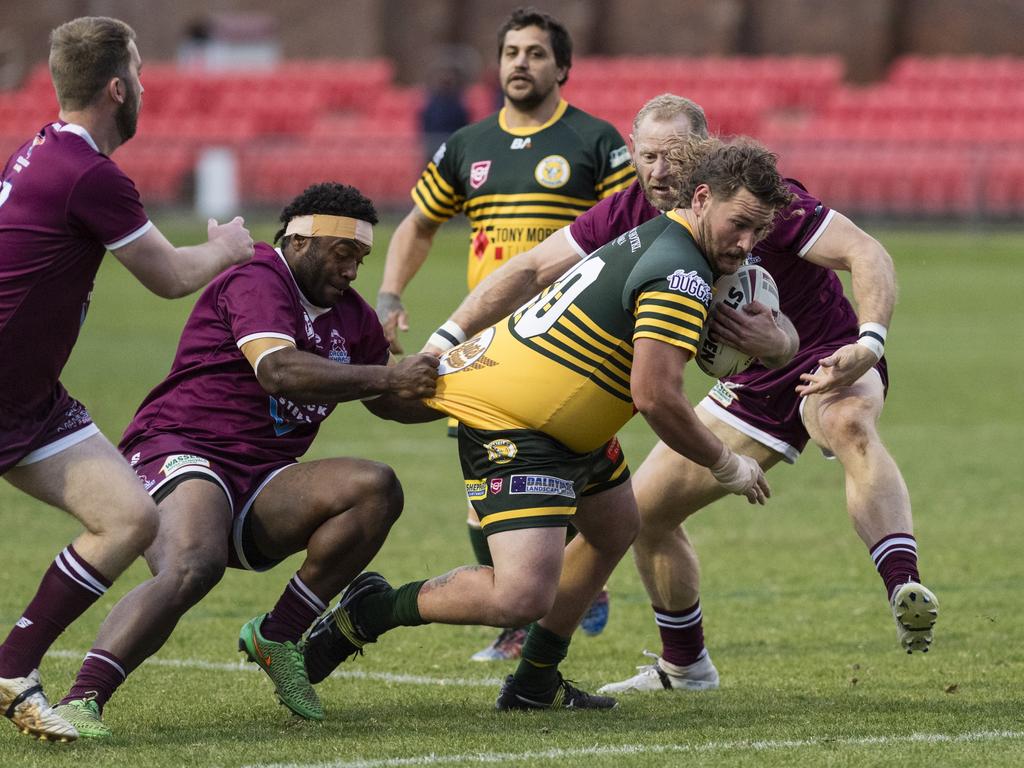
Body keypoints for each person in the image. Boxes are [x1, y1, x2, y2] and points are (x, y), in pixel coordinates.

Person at [427, 92, 940, 695]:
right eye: (647, 156)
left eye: (675, 156)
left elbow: (865, 251)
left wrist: (869, 343)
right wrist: (444, 340)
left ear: (704, 155)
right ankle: (685, 667)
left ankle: (903, 583)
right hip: (744, 387)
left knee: (851, 426)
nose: (660, 171)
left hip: (827, 357)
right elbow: (531, 269)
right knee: (646, 516)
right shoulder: (626, 215)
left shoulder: (756, 199)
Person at [302, 139, 792, 712]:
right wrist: (725, 461)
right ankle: (371, 608)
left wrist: (780, 339)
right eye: (739, 225)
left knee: (614, 526)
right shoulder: (680, 273)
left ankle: (534, 682)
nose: (746, 244)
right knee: (519, 596)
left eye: (758, 233)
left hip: (566, 416)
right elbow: (657, 396)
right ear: (703, 198)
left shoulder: (670, 238)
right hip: (516, 422)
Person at [46, 182, 439, 739]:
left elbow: (391, 401)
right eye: (343, 254)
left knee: (375, 486)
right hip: (181, 448)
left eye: (362, 258)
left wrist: (475, 406)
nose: (354, 271)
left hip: (263, 477)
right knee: (194, 563)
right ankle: (81, 699)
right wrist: (389, 374)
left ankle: (279, 636)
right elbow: (277, 370)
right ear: (299, 242)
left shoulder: (351, 318)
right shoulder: (257, 276)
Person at [0, 16, 253, 743]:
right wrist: (230, 248)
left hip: (29, 399)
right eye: (140, 74)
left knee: (130, 518)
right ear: (118, 87)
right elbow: (170, 277)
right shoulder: (88, 174)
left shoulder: (44, 152)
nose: (143, 86)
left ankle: (14, 668)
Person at [378, 6, 637, 661]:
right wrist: (389, 293)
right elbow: (417, 224)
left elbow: (636, 229)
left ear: (563, 68)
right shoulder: (467, 145)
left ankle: (579, 597)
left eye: (536, 53)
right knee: (485, 501)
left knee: (606, 504)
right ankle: (528, 620)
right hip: (486, 350)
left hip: (572, 347)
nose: (521, 62)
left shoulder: (595, 141)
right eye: (512, 52)